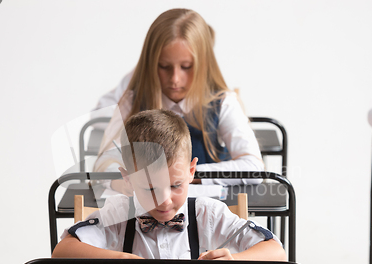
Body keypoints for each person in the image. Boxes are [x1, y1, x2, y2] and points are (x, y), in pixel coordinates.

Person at [53, 110, 286, 264]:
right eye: (150, 188)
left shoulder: (208, 214)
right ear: (128, 179)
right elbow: (62, 251)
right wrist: (123, 259)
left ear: (191, 171)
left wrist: (233, 263)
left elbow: (276, 251)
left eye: (175, 185)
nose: (164, 201)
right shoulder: (118, 213)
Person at [92, 8, 264, 195]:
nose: (175, 79)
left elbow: (253, 167)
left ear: (204, 64)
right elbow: (103, 166)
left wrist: (184, 175)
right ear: (151, 63)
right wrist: (121, 184)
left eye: (186, 67)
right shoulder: (133, 101)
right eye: (164, 66)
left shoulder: (222, 103)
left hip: (205, 213)